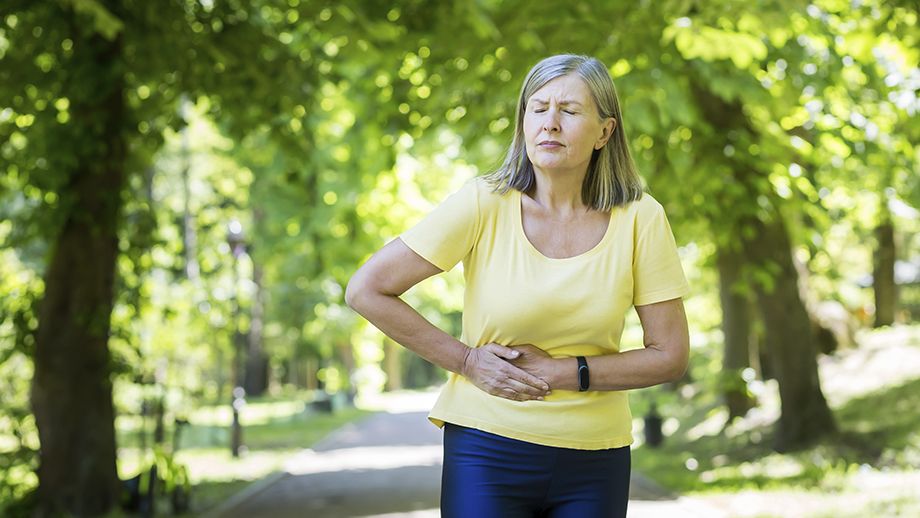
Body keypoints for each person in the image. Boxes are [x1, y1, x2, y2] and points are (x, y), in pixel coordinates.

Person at [345, 54, 690, 518]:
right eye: (537, 108)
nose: (550, 123)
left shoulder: (641, 218)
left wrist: (561, 373)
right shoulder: (483, 203)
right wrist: (466, 360)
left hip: (595, 457)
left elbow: (669, 354)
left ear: (604, 132)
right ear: (523, 121)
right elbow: (366, 289)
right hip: (487, 448)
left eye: (569, 111)